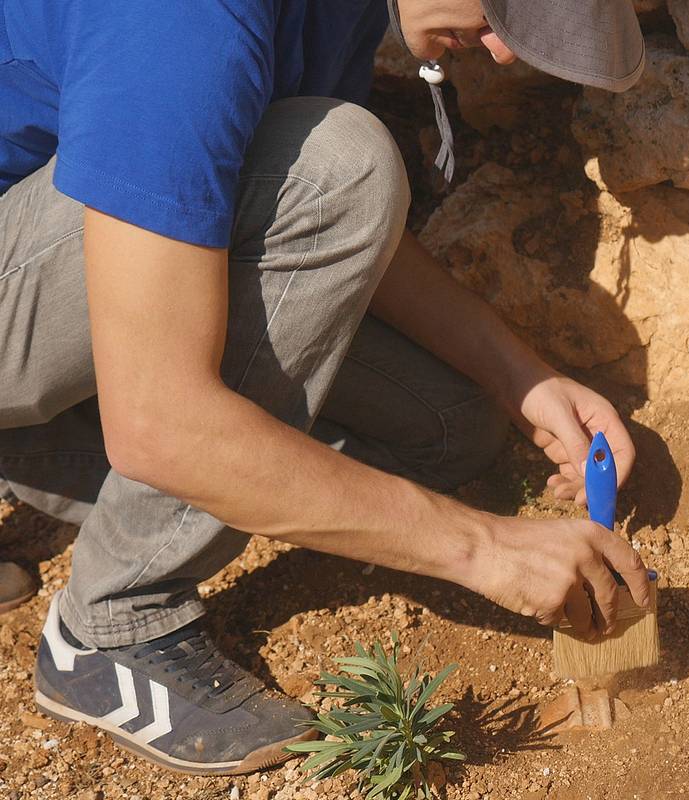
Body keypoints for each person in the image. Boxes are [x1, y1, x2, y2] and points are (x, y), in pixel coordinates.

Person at [0, 0, 651, 775]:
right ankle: (110, 625)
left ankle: (36, 442)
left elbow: (292, 206)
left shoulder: (337, 12)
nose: (506, 54)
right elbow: (158, 422)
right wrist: (484, 550)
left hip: (62, 283)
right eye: (506, 8)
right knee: (343, 160)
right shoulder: (185, 17)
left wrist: (524, 379)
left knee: (445, 425)